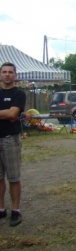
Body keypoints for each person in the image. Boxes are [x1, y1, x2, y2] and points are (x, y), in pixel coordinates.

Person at [0, 62, 26, 227]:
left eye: (10, 72)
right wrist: (7, 114)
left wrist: (10, 114)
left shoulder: (19, 94)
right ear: (0, 74)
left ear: (15, 75)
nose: (7, 74)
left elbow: (13, 113)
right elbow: (8, 114)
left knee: (13, 177)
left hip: (10, 138)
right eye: (4, 72)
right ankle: (1, 209)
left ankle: (15, 211)